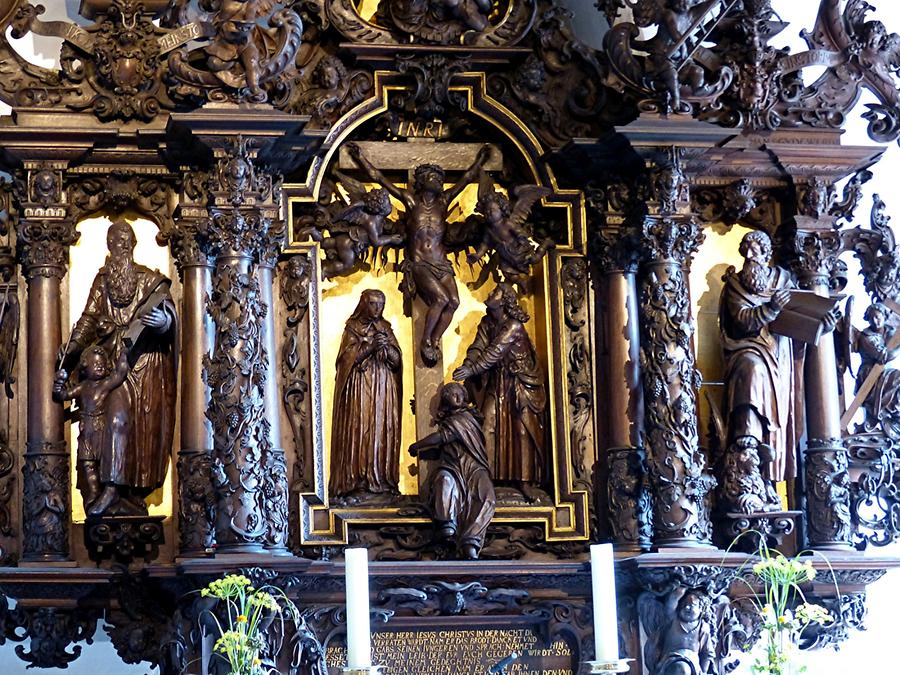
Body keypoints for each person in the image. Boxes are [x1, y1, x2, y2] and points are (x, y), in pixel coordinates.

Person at [58, 220, 177, 516]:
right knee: (115, 423)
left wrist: (164, 324)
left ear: (133, 245)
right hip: (112, 364)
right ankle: (110, 489)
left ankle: (132, 493)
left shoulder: (150, 281)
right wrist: (73, 347)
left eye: (126, 241)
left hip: (147, 365)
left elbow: (169, 314)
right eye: (115, 242)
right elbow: (88, 318)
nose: (121, 246)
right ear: (109, 247)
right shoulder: (103, 280)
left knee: (143, 431)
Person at [348, 141, 490, 365]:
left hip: (441, 263)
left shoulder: (443, 202)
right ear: (422, 181)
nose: (438, 182)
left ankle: (434, 339)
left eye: (440, 178)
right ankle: (426, 340)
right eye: (433, 177)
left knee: (453, 302)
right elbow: (379, 179)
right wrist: (361, 160)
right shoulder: (411, 201)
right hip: (420, 264)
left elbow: (465, 180)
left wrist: (480, 161)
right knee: (441, 298)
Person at [453, 283, 547, 500]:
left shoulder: (513, 326)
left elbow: (495, 351)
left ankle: (524, 482)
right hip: (497, 381)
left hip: (521, 382)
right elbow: (479, 347)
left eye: (495, 292)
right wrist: (468, 363)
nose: (489, 293)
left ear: (505, 300)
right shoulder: (488, 322)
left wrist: (472, 369)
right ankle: (486, 479)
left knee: (520, 430)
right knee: (487, 424)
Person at [409, 383, 496, 559]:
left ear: (464, 397)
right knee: (444, 482)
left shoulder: (465, 419)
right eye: (449, 394)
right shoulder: (450, 421)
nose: (455, 396)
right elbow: (441, 445)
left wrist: (416, 446)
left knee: (487, 497)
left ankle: (471, 540)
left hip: (475, 467)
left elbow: (441, 437)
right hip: (452, 467)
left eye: (458, 393)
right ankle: (447, 525)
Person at [330, 290, 403, 497]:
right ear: (363, 304)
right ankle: (356, 481)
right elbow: (344, 362)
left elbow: (397, 361)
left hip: (384, 388)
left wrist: (388, 350)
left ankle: (382, 480)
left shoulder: (386, 328)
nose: (377, 308)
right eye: (373, 304)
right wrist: (370, 348)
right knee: (359, 429)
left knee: (381, 430)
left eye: (381, 304)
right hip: (359, 388)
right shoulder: (352, 329)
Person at [53, 346, 130, 513]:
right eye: (95, 364)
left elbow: (119, 375)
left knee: (102, 460)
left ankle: (106, 493)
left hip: (101, 427)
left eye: (102, 364)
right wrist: (58, 384)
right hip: (86, 428)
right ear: (85, 367)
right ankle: (94, 492)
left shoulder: (105, 384)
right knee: (88, 463)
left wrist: (124, 354)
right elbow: (64, 396)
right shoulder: (83, 386)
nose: (99, 366)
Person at [856, 302, 900, 438]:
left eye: (878, 317)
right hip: (870, 373)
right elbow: (883, 356)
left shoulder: (889, 331)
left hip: (885, 372)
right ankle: (891, 410)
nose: (875, 321)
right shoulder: (866, 336)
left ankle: (895, 412)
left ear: (884, 316)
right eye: (872, 318)